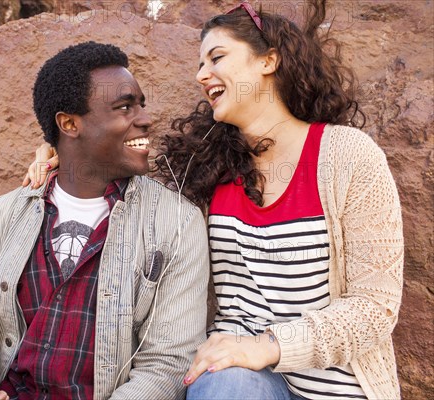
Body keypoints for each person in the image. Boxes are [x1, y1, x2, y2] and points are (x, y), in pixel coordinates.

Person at [25, 1, 404, 399]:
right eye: (200, 64)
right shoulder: (205, 165)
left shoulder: (347, 156)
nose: (201, 75)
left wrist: (267, 345)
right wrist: (59, 152)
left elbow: (375, 306)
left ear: (269, 61)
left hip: (336, 387)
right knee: (227, 383)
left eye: (216, 57)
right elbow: (119, 167)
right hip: (236, 381)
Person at [0, 41, 209, 400]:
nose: (145, 119)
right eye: (125, 107)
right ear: (69, 123)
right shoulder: (2, 215)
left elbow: (168, 364)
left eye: (141, 105)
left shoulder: (177, 223)